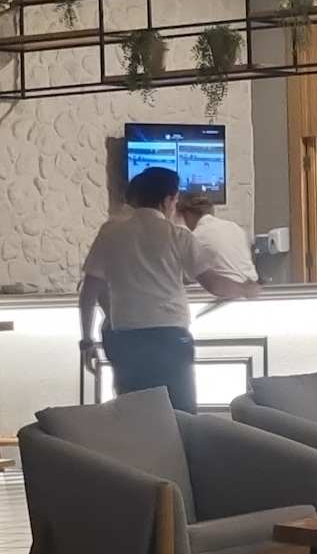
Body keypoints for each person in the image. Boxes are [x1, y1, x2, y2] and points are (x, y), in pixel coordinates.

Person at [80, 167, 258, 412]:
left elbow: (89, 291)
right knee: (179, 414)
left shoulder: (110, 232)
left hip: (125, 339)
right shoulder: (178, 236)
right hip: (169, 338)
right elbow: (214, 284)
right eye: (175, 200)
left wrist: (87, 340)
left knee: (135, 414)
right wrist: (246, 289)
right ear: (167, 200)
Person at [177, 190, 256, 288]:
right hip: (253, 288)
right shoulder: (235, 227)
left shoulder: (195, 237)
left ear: (187, 214)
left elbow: (185, 277)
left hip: (225, 291)